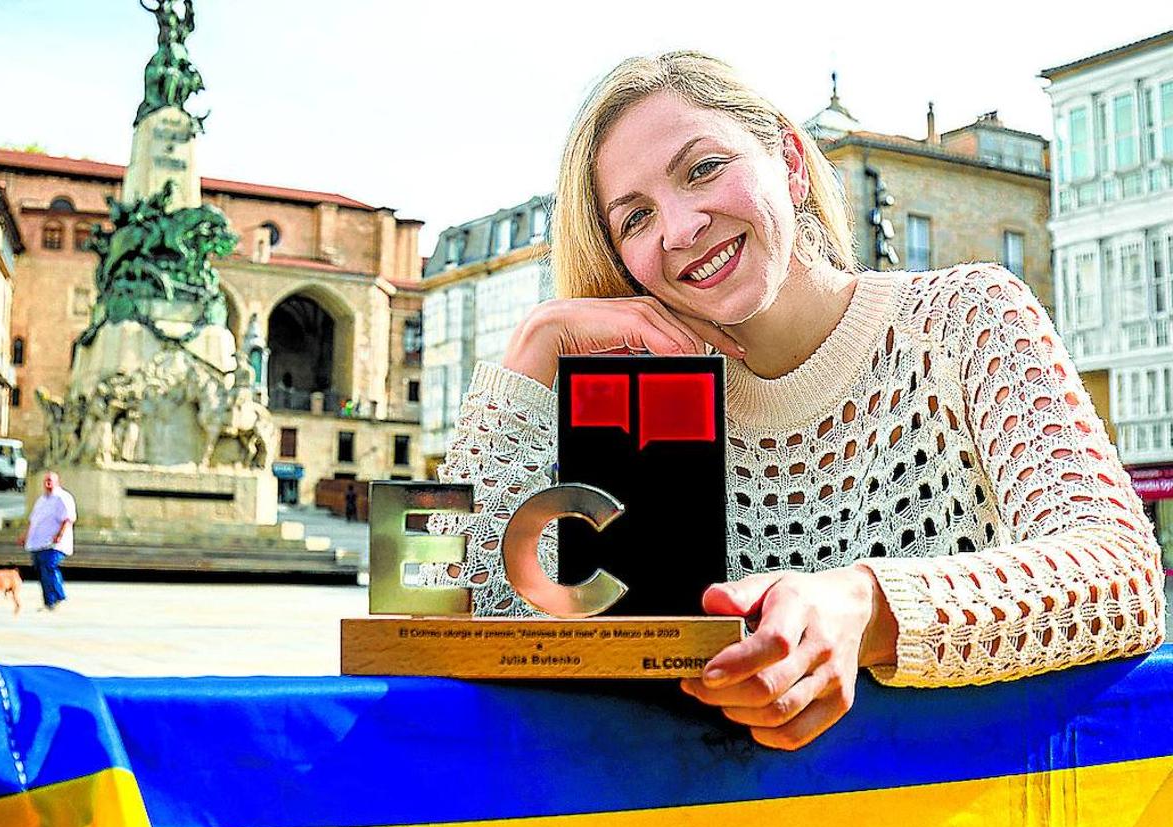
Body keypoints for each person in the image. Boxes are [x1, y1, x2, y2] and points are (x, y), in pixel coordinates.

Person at [428, 51, 1165, 749]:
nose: (682, 229)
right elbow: (440, 621)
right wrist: (533, 350)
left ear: (787, 159)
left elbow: (1123, 573)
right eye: (635, 218)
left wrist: (866, 609)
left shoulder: (964, 318)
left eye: (704, 168)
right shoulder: (628, 406)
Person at [18, 471, 77, 611]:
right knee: (41, 570)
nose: (47, 483)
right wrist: (25, 536)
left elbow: (68, 518)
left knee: (49, 567)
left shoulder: (63, 497)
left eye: (50, 480)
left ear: (57, 482)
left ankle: (58, 597)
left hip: (54, 543)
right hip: (38, 543)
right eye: (46, 481)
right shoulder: (42, 499)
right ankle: (49, 601)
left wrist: (60, 535)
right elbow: (33, 520)